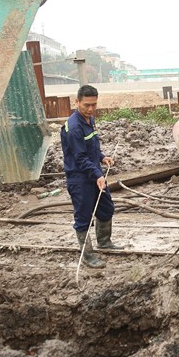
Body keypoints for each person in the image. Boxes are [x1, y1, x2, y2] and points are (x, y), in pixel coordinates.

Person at [60, 85, 120, 268]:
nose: (91, 109)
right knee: (84, 216)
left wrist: (102, 158)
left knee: (106, 207)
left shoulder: (89, 120)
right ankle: (87, 255)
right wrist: (96, 174)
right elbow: (79, 157)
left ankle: (104, 241)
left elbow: (91, 148)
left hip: (94, 174)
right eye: (86, 105)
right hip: (80, 178)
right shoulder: (74, 127)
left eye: (94, 105)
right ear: (76, 102)